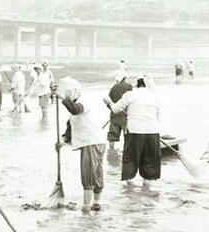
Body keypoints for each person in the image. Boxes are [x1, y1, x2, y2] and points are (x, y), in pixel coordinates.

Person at [55, 77, 107, 212]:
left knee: (90, 173)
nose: (67, 96)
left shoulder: (84, 102)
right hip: (91, 142)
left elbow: (75, 110)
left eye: (68, 94)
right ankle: (95, 203)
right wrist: (62, 140)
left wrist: (63, 99)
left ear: (74, 92)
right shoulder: (73, 105)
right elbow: (70, 128)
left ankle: (88, 206)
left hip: (92, 142)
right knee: (94, 172)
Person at [105, 75, 162, 189]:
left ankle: (130, 186)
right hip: (153, 131)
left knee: (131, 158)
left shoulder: (130, 95)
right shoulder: (155, 96)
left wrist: (108, 102)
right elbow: (158, 116)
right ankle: (147, 187)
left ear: (137, 85)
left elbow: (116, 109)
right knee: (150, 160)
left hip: (135, 131)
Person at [104, 69, 132, 150]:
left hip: (114, 115)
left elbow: (108, 102)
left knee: (112, 137)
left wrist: (112, 109)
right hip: (125, 116)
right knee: (128, 136)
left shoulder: (113, 88)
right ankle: (127, 153)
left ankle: (111, 151)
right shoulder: (129, 86)